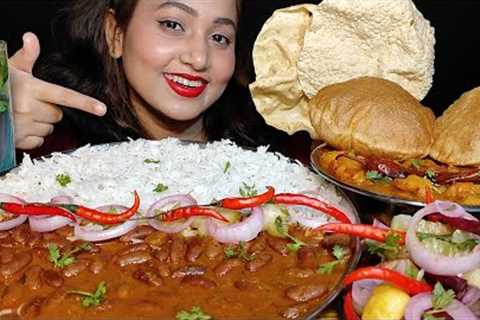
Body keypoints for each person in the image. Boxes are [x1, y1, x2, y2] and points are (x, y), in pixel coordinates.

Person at [8, 0, 285, 158]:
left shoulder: (278, 146)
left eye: (219, 38)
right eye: (172, 25)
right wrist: (2, 134)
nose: (199, 58)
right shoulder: (56, 146)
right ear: (115, 34)